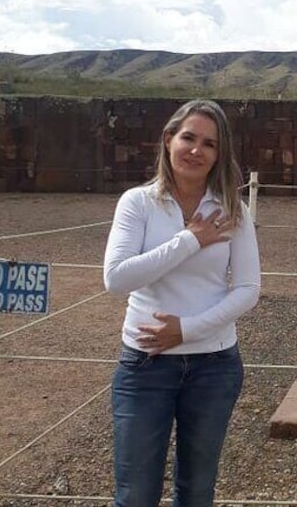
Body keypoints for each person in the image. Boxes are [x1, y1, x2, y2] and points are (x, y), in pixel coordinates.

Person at [103, 99, 261, 506]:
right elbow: (117, 278)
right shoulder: (138, 203)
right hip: (145, 364)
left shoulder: (232, 211)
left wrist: (185, 330)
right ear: (168, 139)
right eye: (188, 137)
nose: (196, 150)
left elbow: (247, 289)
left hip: (214, 366)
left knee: (196, 492)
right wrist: (190, 240)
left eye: (209, 143)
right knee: (135, 494)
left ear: (219, 154)